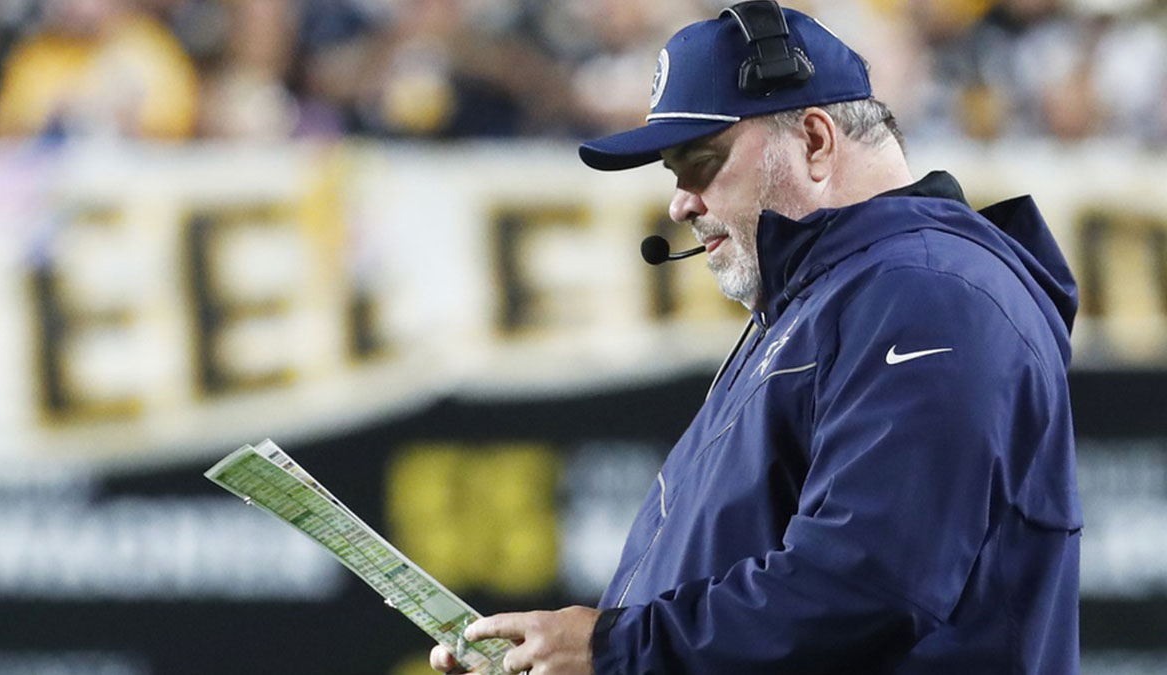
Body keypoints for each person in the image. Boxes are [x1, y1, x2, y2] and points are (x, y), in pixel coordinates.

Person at [431, 2, 1081, 673]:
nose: (680, 200)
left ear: (817, 142)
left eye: (703, 160)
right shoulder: (828, 301)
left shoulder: (928, 290)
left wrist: (615, 650)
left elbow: (871, 586)